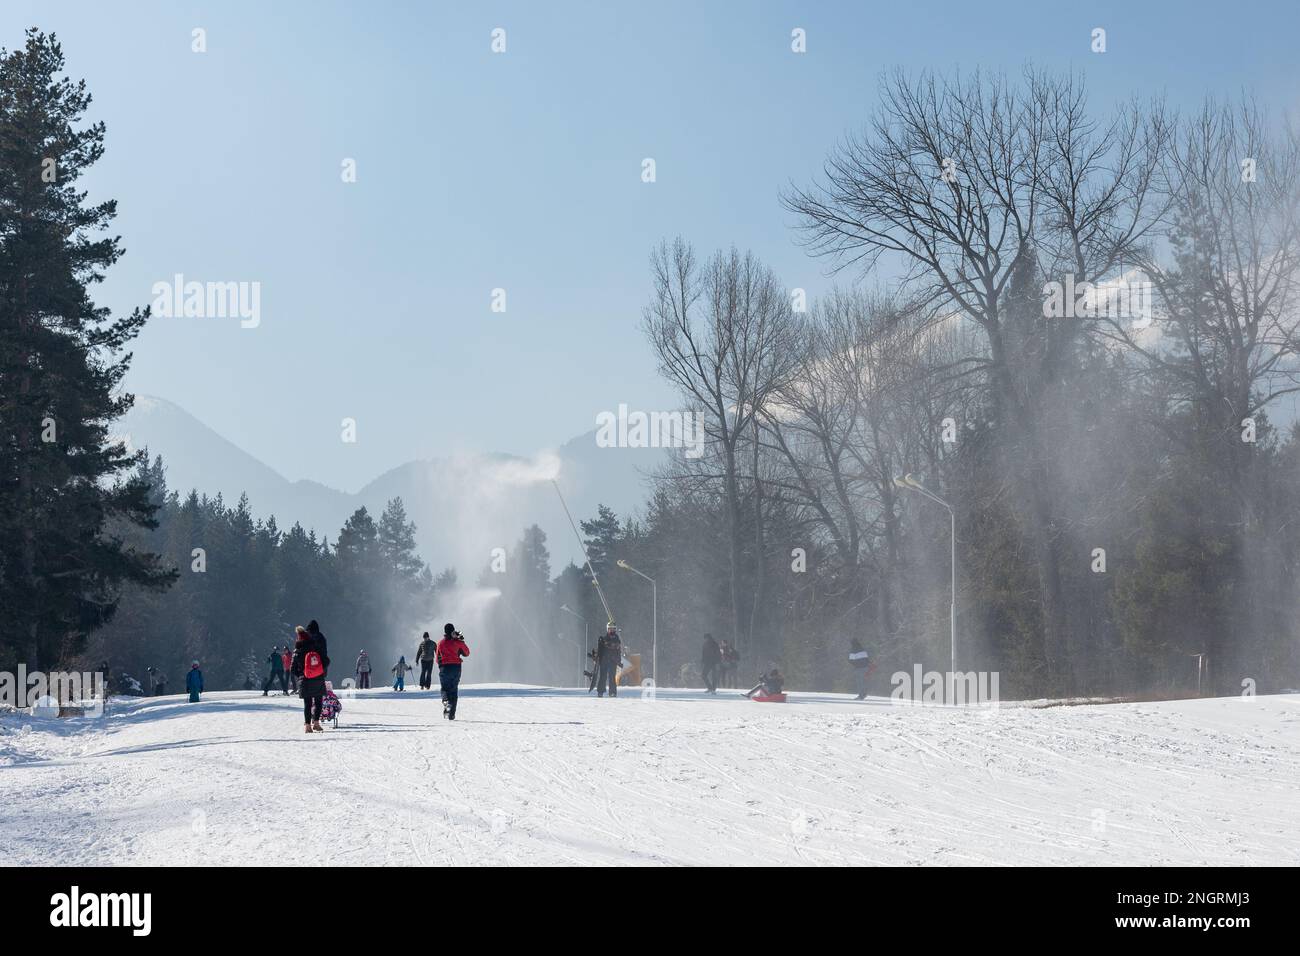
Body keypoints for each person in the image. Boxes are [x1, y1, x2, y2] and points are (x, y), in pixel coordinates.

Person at [292, 623, 330, 733]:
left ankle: (308, 726)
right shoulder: (316, 647)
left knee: (307, 703)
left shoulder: (297, 651)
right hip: (318, 678)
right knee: (318, 701)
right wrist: (320, 670)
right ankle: (316, 723)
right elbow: (327, 661)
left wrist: (301, 675)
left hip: (305, 679)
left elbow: (292, 669)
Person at [436, 623, 470, 719]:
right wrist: (461, 641)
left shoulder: (440, 643)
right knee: (454, 690)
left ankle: (445, 701)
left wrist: (440, 666)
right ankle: (451, 714)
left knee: (444, 688)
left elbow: (437, 658)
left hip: (444, 668)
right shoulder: (458, 642)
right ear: (453, 631)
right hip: (456, 667)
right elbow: (467, 653)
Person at [594, 623, 622, 698]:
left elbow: (618, 651)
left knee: (612, 677)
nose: (612, 630)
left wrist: (619, 661)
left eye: (613, 628)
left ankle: (612, 692)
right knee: (603, 676)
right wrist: (597, 657)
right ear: (607, 629)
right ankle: (600, 691)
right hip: (604, 660)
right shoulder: (604, 638)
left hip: (613, 661)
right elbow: (600, 649)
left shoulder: (617, 639)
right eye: (610, 628)